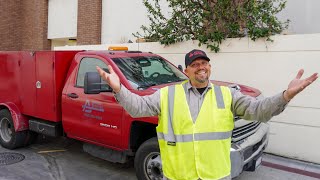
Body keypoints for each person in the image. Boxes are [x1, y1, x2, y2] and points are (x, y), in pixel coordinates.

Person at [96, 49, 318, 180]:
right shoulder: (167, 95)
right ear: (186, 71)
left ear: (209, 68)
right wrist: (119, 89)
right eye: (195, 64)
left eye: (204, 63)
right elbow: (137, 107)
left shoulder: (228, 95)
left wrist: (286, 95)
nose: (201, 67)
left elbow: (259, 111)